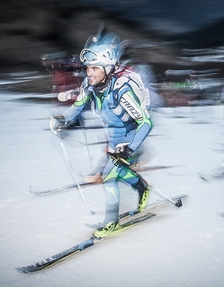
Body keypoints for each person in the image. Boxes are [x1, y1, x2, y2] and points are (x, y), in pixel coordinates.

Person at [52, 27, 153, 238]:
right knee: (118, 171)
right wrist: (64, 120)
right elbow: (77, 107)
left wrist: (130, 147)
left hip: (130, 135)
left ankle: (111, 222)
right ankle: (142, 187)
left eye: (94, 68)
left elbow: (145, 122)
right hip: (112, 136)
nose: (89, 73)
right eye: (88, 68)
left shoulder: (122, 90)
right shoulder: (90, 84)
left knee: (109, 176)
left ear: (107, 68)